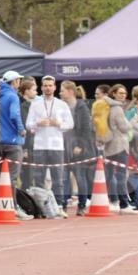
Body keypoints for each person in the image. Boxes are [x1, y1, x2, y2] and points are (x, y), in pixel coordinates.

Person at [26, 75, 74, 217]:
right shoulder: (35, 104)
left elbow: (70, 124)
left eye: (50, 85)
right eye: (45, 85)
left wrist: (58, 124)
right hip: (39, 146)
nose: (47, 88)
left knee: (58, 178)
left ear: (54, 87)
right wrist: (38, 123)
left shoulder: (62, 104)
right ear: (41, 87)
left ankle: (59, 206)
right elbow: (28, 124)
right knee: (39, 178)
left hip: (57, 146)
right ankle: (42, 208)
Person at [60, 80, 96, 216]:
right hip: (64, 146)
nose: (60, 93)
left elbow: (86, 129)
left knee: (80, 176)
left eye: (62, 90)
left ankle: (82, 204)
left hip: (78, 148)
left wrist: (80, 146)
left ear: (70, 92)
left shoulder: (82, 107)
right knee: (64, 177)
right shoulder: (61, 106)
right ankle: (63, 205)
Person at [102, 84, 138, 214]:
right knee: (121, 176)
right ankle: (124, 204)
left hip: (108, 145)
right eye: (120, 93)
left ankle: (113, 201)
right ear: (114, 94)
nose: (123, 95)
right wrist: (134, 121)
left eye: (124, 93)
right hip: (119, 146)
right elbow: (124, 128)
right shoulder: (117, 108)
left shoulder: (106, 106)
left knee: (109, 175)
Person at [0, 70, 26, 206]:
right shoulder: (13, 96)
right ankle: (13, 206)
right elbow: (14, 115)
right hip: (13, 142)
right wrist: (21, 129)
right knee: (12, 177)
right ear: (14, 81)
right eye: (18, 80)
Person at [18, 76, 38, 188]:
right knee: (27, 175)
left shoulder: (30, 104)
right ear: (26, 91)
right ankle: (26, 195)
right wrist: (25, 148)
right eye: (34, 90)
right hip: (26, 145)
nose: (36, 92)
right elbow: (26, 127)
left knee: (30, 174)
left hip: (32, 145)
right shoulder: (23, 106)